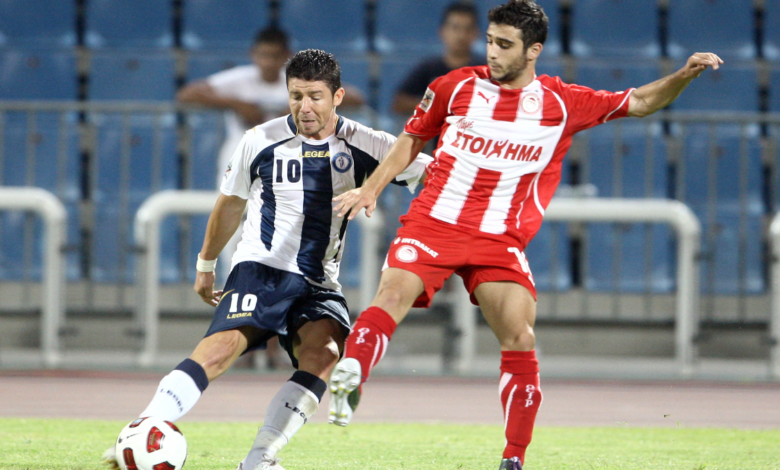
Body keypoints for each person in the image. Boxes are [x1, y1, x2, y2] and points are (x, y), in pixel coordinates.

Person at [327, 1, 723, 469]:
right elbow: (412, 138)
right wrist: (371, 188)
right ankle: (352, 373)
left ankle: (513, 460)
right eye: (490, 41)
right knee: (391, 294)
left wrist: (683, 75)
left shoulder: (562, 102)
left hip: (499, 240)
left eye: (504, 44)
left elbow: (638, 102)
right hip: (435, 222)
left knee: (520, 335)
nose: (492, 52)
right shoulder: (453, 86)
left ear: (533, 50)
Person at [103, 49, 429, 470]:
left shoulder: (369, 143)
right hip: (263, 268)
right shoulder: (260, 139)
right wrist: (206, 265)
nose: (304, 107)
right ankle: (143, 428)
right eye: (296, 96)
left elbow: (435, 174)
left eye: (315, 97)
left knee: (325, 353)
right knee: (221, 350)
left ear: (337, 96)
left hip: (319, 281)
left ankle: (259, 459)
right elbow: (230, 205)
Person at [178, 27, 366, 369]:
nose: (268, 62)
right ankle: (245, 338)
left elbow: (354, 96)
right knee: (240, 257)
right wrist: (235, 103)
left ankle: (272, 344)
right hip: (242, 180)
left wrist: (293, 107)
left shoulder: (297, 86)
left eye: (275, 56)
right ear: (254, 55)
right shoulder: (240, 80)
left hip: (287, 185)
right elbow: (188, 93)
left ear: (285, 57)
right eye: (263, 55)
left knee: (285, 259)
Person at [391, 2, 483, 116]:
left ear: (476, 33)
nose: (461, 35)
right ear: (442, 31)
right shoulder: (429, 69)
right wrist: (434, 103)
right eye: (455, 28)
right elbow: (399, 103)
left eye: (467, 29)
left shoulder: (485, 72)